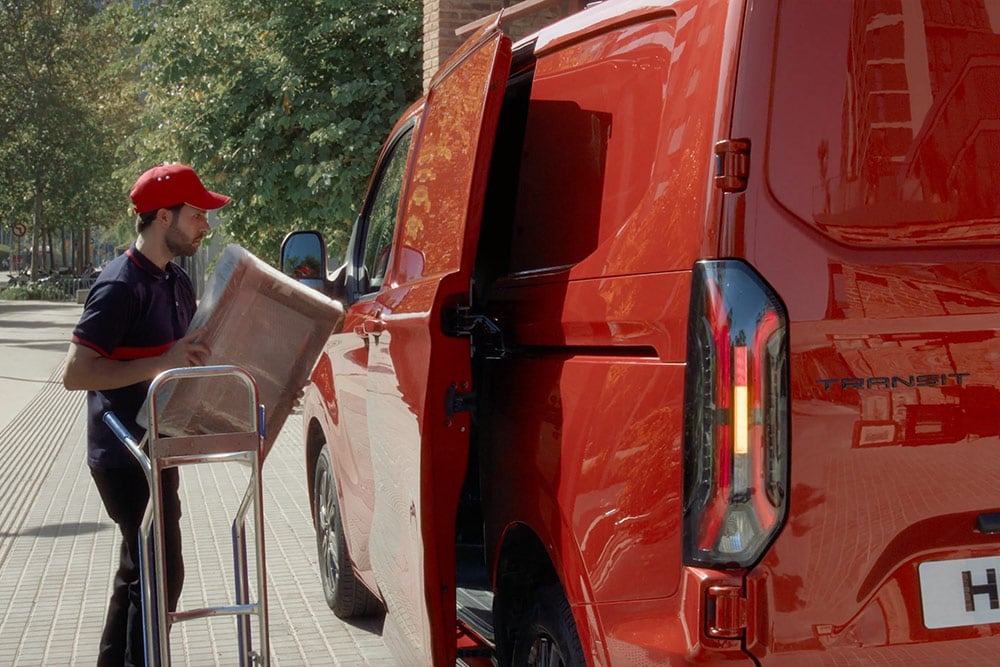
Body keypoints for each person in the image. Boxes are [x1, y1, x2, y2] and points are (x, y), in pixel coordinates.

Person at [63, 163, 230, 667]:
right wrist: (164, 362)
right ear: (163, 217)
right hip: (123, 453)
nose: (206, 226)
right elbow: (76, 373)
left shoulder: (175, 280)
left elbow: (186, 353)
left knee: (140, 571)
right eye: (198, 215)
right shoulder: (119, 285)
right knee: (160, 574)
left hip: (160, 442)